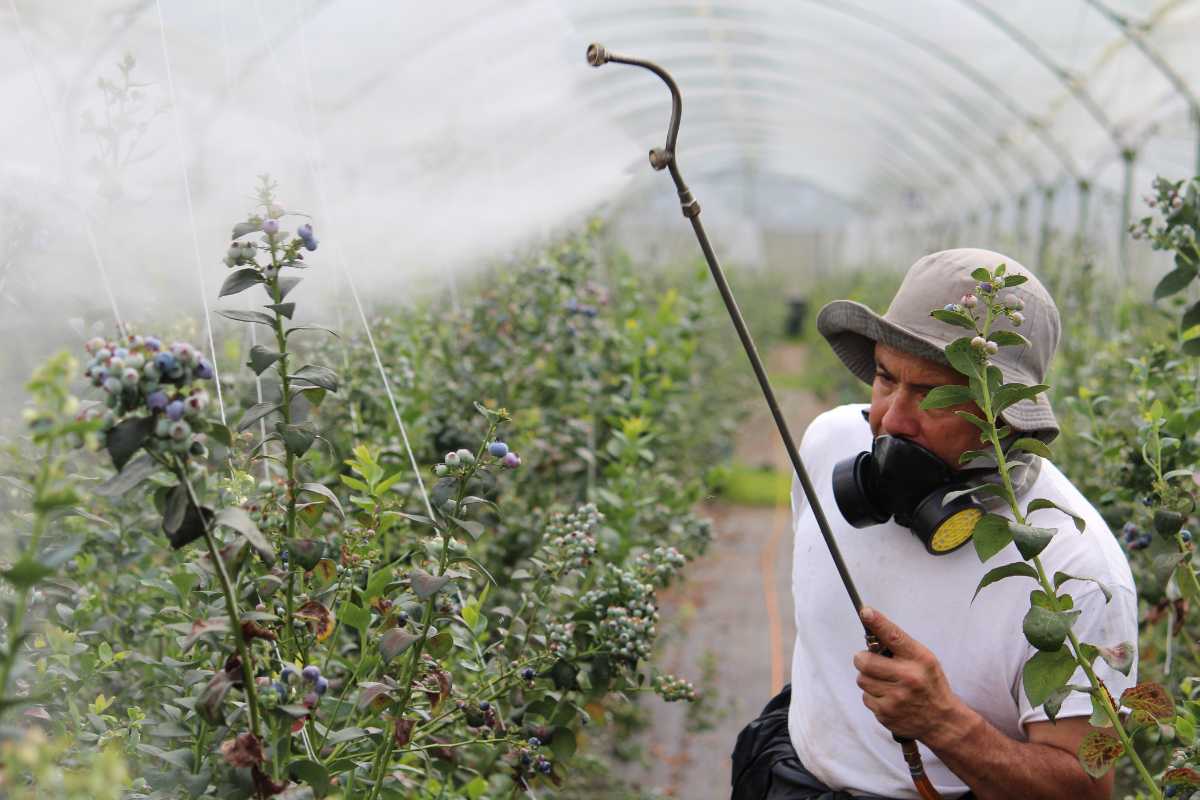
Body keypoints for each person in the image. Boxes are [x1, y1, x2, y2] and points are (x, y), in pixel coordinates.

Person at [730, 248, 1138, 800]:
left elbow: (1085, 790)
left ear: (1005, 414)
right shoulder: (830, 446)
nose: (890, 420)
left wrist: (945, 723)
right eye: (883, 377)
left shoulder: (1075, 572)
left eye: (930, 395)